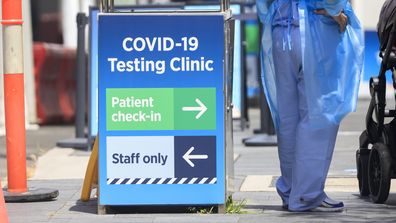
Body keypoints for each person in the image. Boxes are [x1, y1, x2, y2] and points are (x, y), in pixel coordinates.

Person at [257, 0, 364, 212]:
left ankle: (290, 189)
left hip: (280, 30)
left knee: (287, 118)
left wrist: (271, 16)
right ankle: (307, 194)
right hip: (315, 29)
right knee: (319, 115)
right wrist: (336, 12)